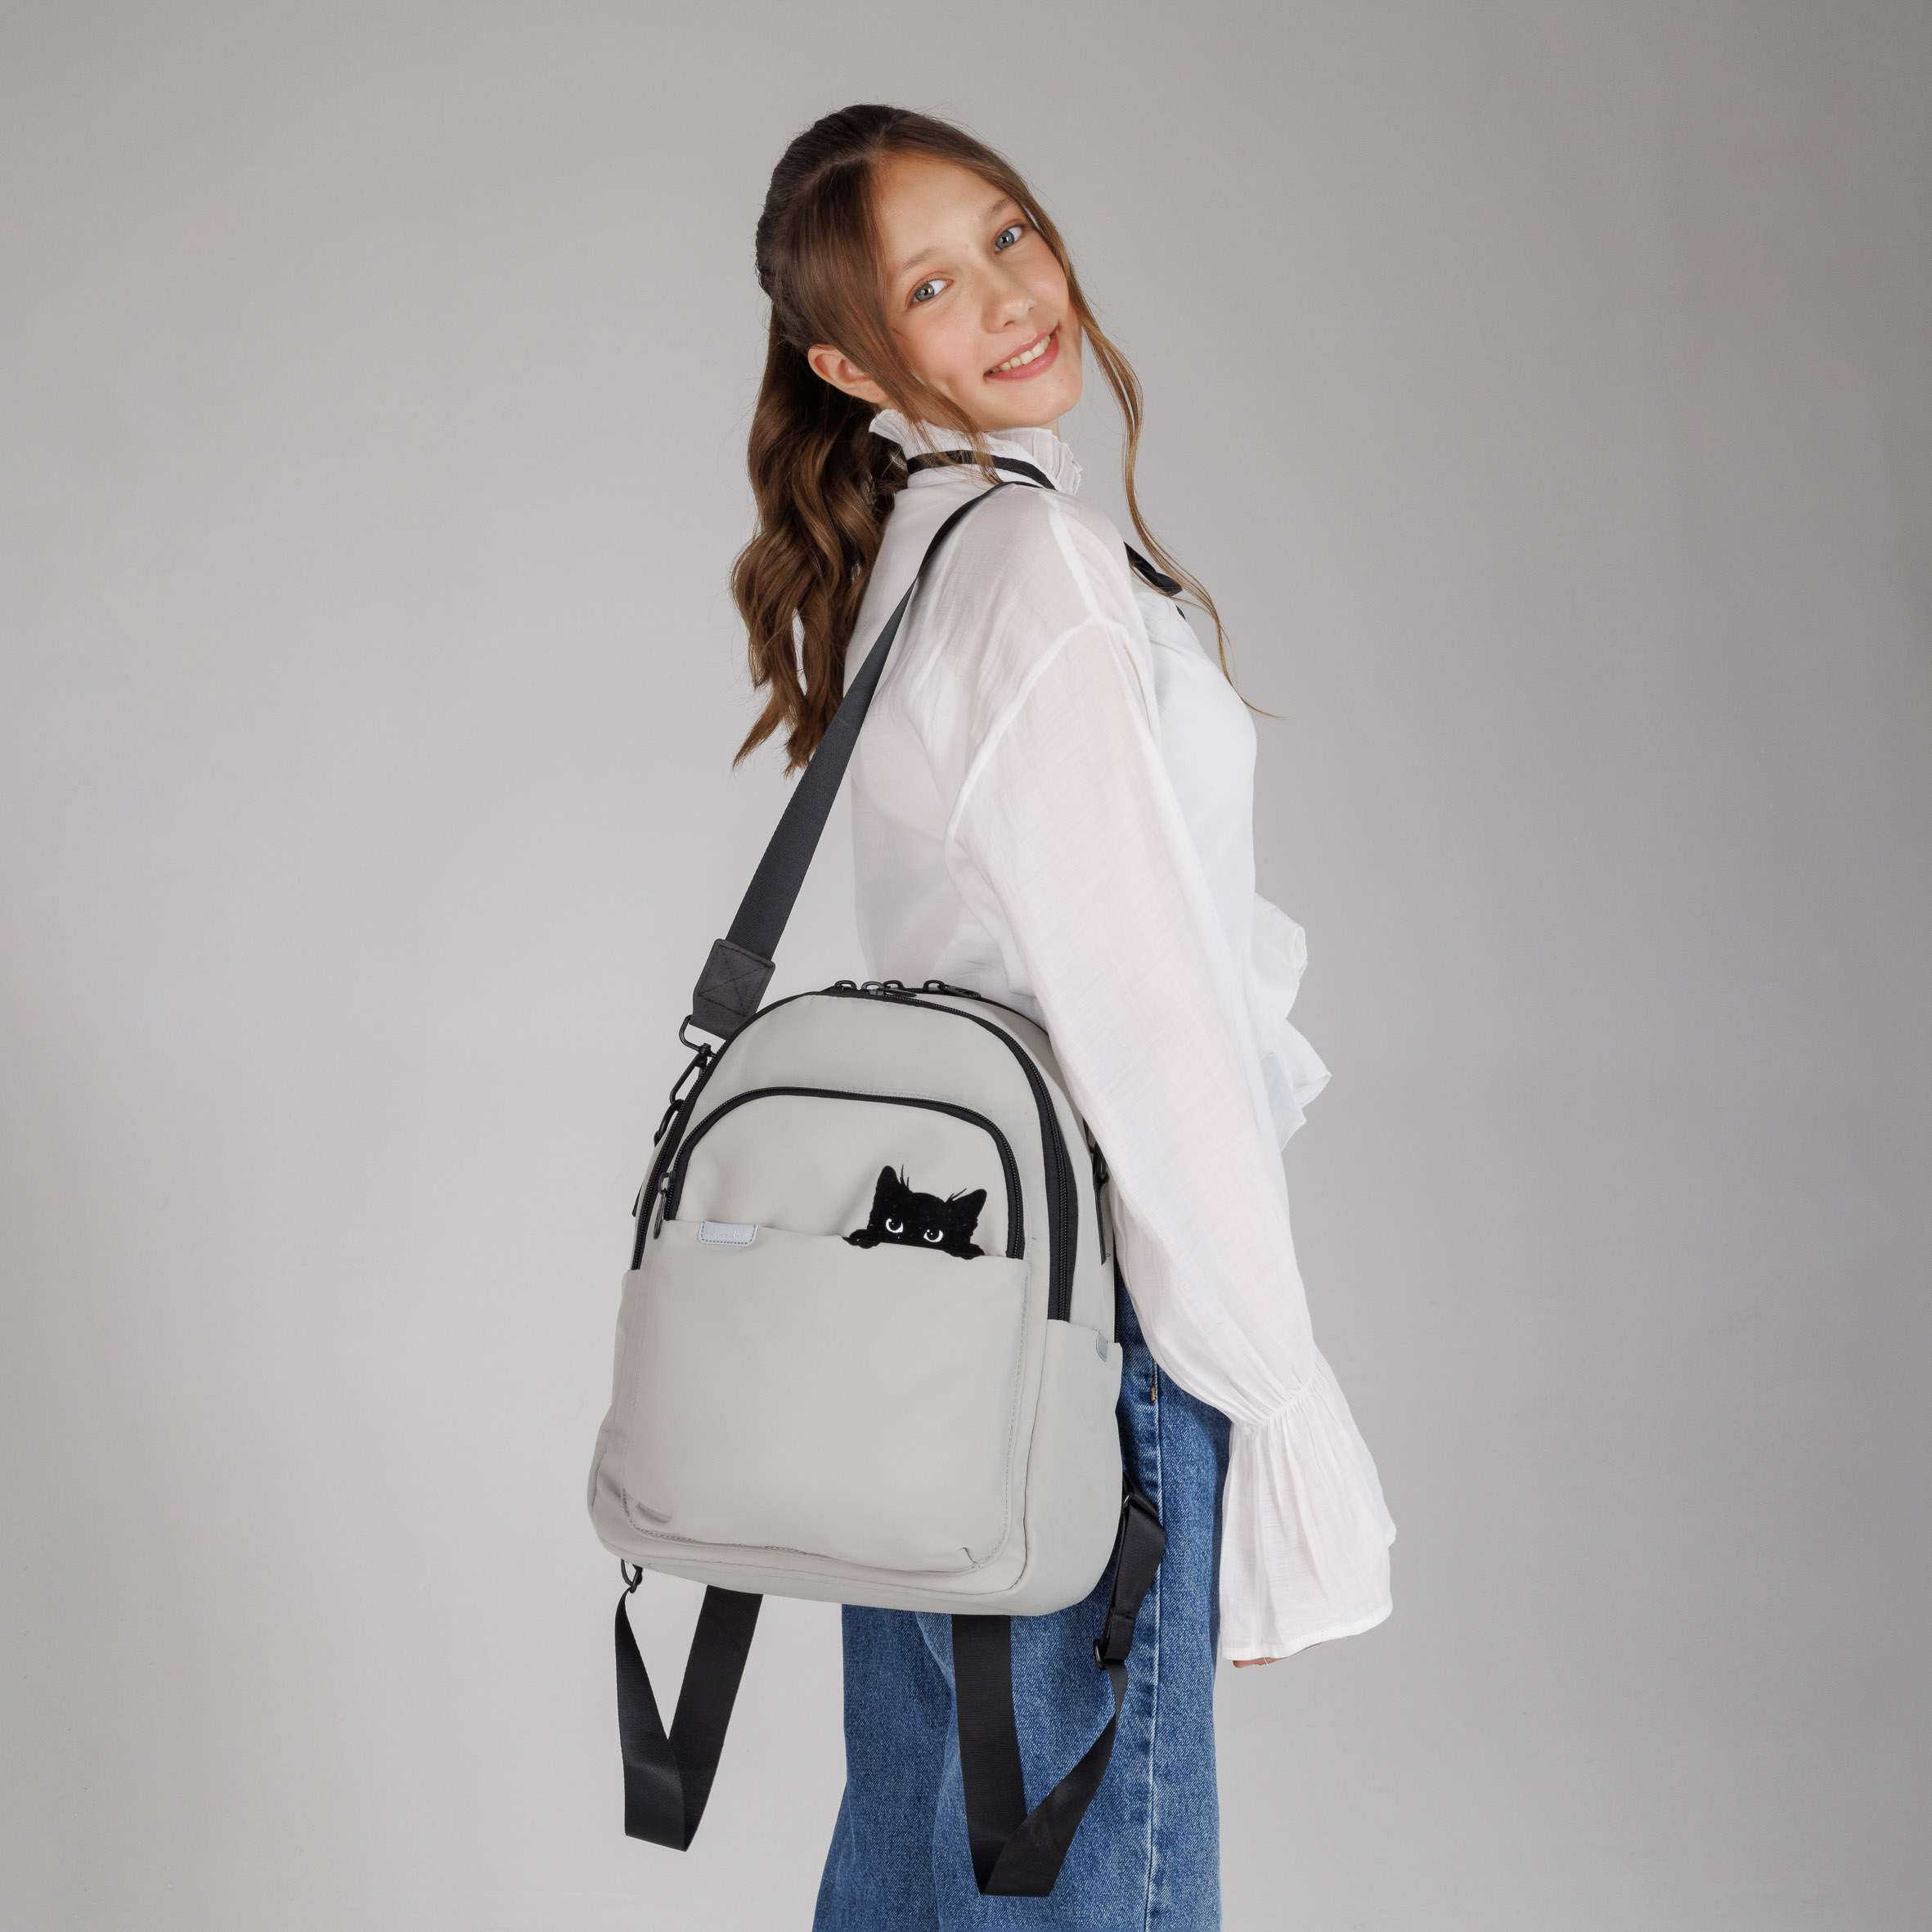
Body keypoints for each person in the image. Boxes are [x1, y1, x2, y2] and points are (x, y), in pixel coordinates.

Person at [730, 104, 1396, 1930]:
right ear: (849, 362)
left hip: (935, 1318)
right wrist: (1281, 1407)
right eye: (929, 287)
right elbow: (1146, 1025)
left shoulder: (925, 551)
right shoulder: (1027, 568)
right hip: (1087, 1329)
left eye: (1008, 234)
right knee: (1073, 1881)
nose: (1010, 298)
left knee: (928, 1867)